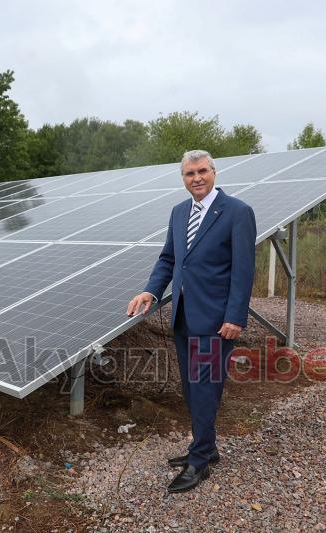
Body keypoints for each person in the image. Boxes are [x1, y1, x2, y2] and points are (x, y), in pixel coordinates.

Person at [126, 149, 256, 493]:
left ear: (214, 172)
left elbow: (243, 270)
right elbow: (169, 259)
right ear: (183, 178)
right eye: (189, 174)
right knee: (190, 386)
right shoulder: (179, 212)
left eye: (202, 171)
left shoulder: (237, 212)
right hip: (184, 316)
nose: (196, 178)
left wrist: (235, 316)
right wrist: (151, 291)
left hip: (216, 321)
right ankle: (207, 447)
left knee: (205, 388)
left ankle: (199, 461)